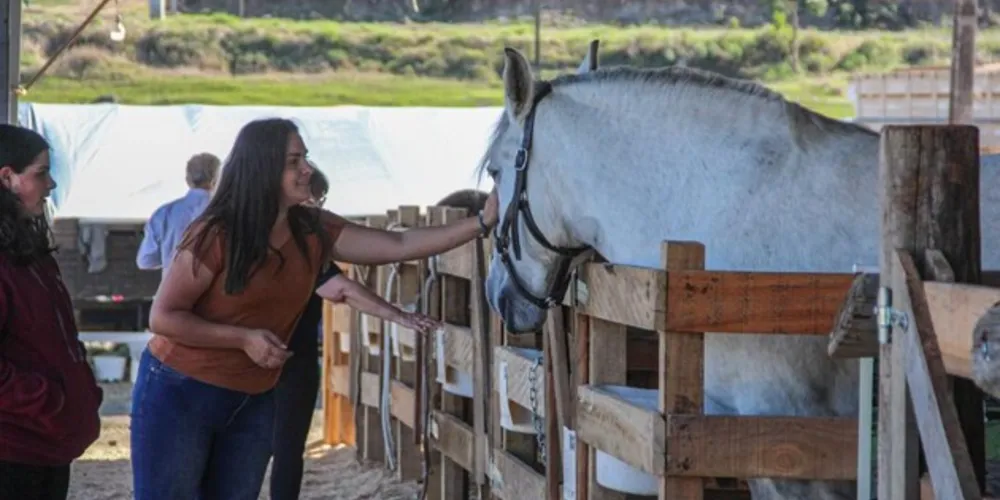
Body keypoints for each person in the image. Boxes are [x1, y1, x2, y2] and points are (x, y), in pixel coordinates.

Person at [131, 117, 498, 500]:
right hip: (180, 392)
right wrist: (242, 339)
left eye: (305, 158)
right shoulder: (216, 233)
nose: (307, 168)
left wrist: (482, 222)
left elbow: (399, 244)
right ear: (263, 166)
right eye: (294, 161)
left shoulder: (311, 229)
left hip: (253, 397)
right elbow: (164, 317)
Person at [269, 164, 440, 500]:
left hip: (268, 355)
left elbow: (341, 287)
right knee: (283, 448)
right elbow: (343, 289)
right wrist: (399, 316)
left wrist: (398, 315)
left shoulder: (279, 237)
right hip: (286, 358)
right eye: (317, 202)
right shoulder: (301, 240)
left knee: (266, 448)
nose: (320, 210)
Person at [0, 124, 104, 500]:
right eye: (41, 173)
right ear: (8, 178)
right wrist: (49, 399)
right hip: (13, 451)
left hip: (45, 447)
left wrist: (80, 391)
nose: (51, 185)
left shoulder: (28, 249)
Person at [135, 152, 221, 277]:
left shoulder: (163, 214)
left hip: (174, 292)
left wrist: (170, 257)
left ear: (188, 180)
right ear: (217, 180)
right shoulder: (232, 213)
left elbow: (145, 261)